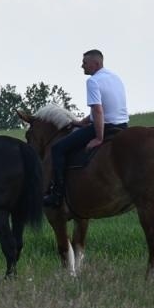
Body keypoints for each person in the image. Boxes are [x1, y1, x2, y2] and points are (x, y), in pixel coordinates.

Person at [44, 49, 130, 208]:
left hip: (106, 127)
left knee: (57, 148)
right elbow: (105, 108)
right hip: (123, 126)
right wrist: (82, 122)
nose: (81, 66)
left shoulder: (93, 81)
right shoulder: (115, 77)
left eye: (84, 63)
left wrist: (98, 138)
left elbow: (98, 110)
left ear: (95, 64)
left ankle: (57, 194)